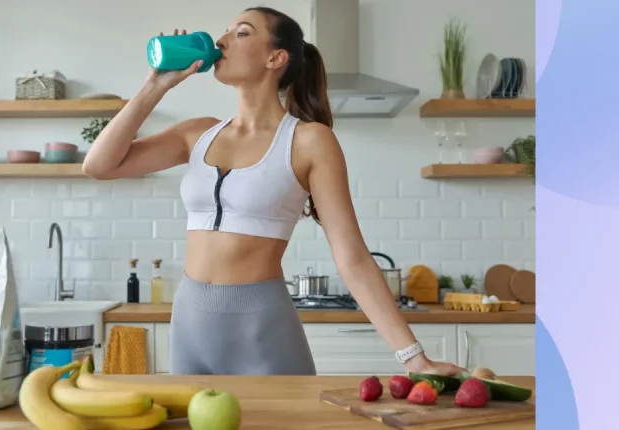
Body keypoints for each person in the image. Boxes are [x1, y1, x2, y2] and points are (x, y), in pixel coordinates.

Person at [83, 7, 464, 377]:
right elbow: (99, 166)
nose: (222, 39)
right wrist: (156, 85)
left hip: (262, 328)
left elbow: (353, 258)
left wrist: (413, 357)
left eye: (242, 32)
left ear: (275, 58)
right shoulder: (197, 133)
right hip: (189, 323)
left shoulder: (309, 141)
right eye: (227, 30)